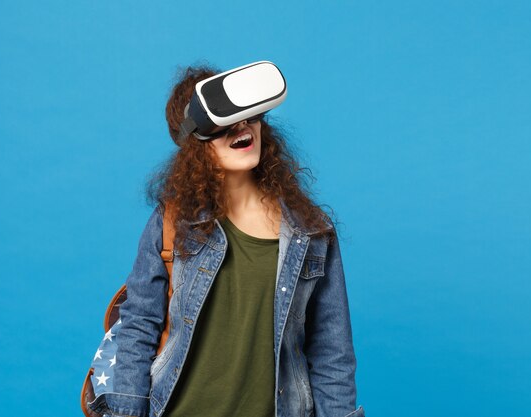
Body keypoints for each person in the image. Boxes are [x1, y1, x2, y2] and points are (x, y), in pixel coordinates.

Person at [87, 63, 365, 417]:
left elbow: (332, 352)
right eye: (222, 124)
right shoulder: (172, 222)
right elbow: (140, 324)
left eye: (249, 116)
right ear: (194, 143)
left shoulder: (310, 233)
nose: (241, 127)